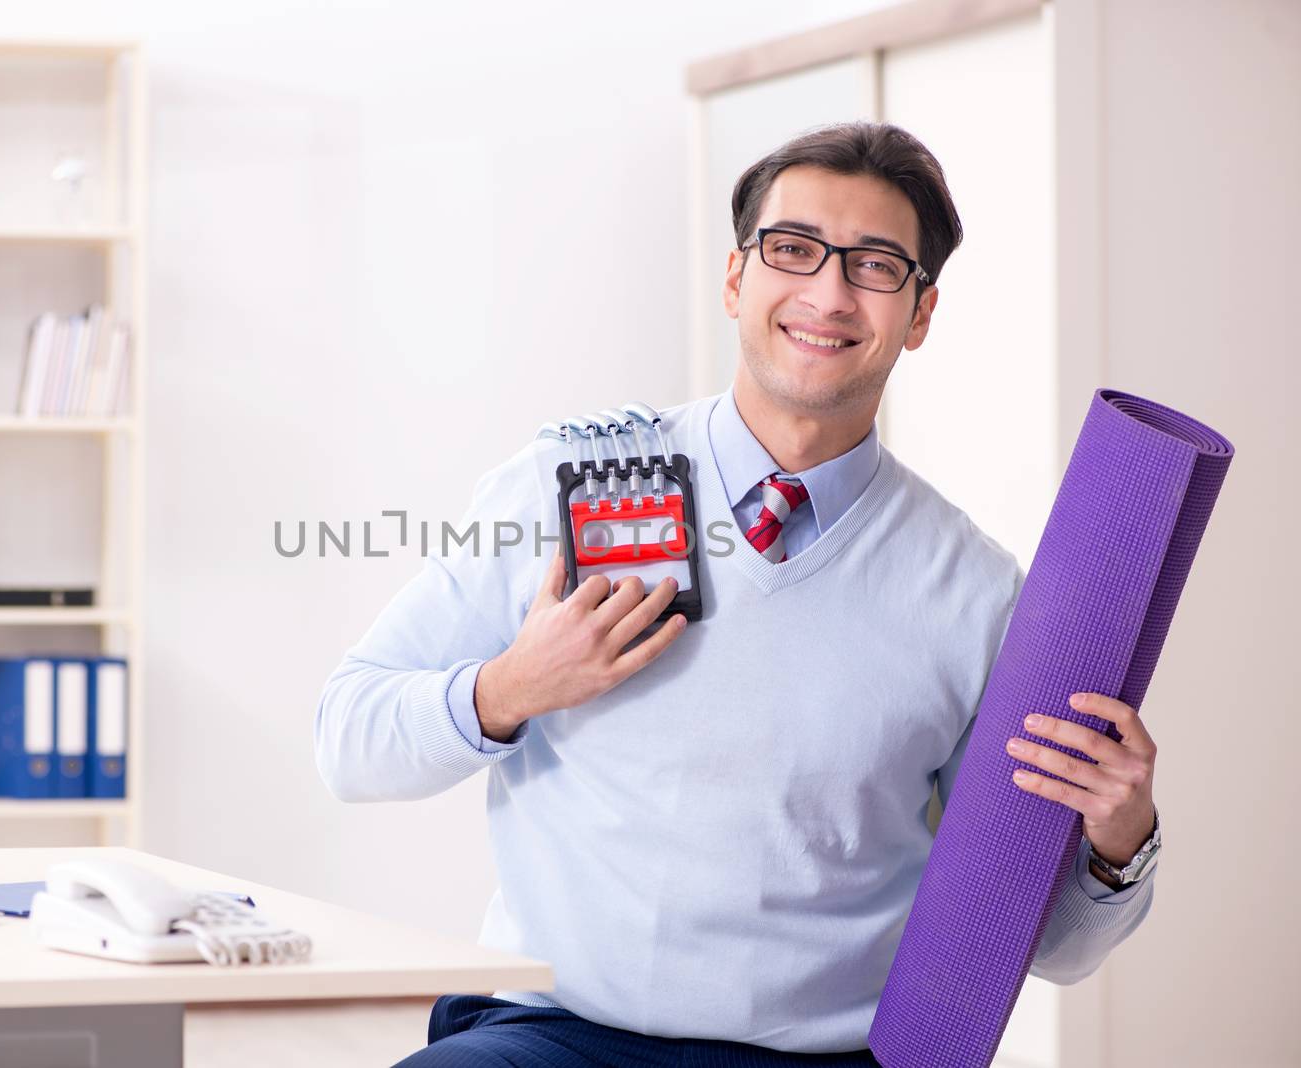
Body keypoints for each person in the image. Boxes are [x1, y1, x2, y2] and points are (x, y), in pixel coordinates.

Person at [314, 122, 1160, 1068]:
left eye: (876, 266)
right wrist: (509, 689)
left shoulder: (974, 593)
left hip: (809, 1057)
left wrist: (1118, 845)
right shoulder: (571, 481)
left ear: (920, 315)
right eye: (793, 251)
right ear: (735, 280)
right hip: (549, 1037)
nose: (828, 294)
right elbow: (347, 741)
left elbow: (1046, 949)